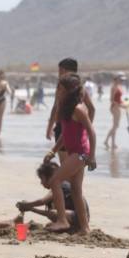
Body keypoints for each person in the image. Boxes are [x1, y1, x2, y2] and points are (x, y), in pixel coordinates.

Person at [43, 73, 95, 234]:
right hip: (74, 152)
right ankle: (85, 228)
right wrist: (53, 151)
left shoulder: (79, 109)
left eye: (60, 88)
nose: (57, 91)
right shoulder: (64, 108)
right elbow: (65, 135)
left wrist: (92, 157)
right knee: (76, 190)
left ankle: (62, 220)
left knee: (55, 180)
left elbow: (92, 133)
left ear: (68, 91)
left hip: (81, 153)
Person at [15, 161, 89, 232]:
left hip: (78, 217)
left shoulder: (59, 186)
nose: (41, 183)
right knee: (50, 222)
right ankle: (68, 226)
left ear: (49, 177)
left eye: (42, 179)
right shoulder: (60, 185)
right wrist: (30, 208)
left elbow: (42, 201)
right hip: (79, 217)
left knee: (53, 213)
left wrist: (27, 205)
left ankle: (68, 225)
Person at [45, 58, 94, 159]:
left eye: (60, 71)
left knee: (66, 162)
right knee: (74, 162)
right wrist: (86, 128)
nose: (59, 74)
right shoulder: (80, 88)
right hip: (73, 128)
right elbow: (92, 109)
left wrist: (49, 127)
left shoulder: (62, 87)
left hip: (63, 126)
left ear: (66, 71)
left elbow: (55, 107)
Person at [104, 73, 127, 150]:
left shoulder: (118, 86)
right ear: (117, 78)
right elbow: (111, 100)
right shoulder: (113, 87)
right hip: (114, 107)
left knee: (115, 126)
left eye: (123, 80)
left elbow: (118, 99)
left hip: (118, 107)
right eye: (121, 79)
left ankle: (113, 143)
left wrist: (124, 103)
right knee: (115, 126)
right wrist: (121, 106)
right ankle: (106, 141)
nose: (122, 81)